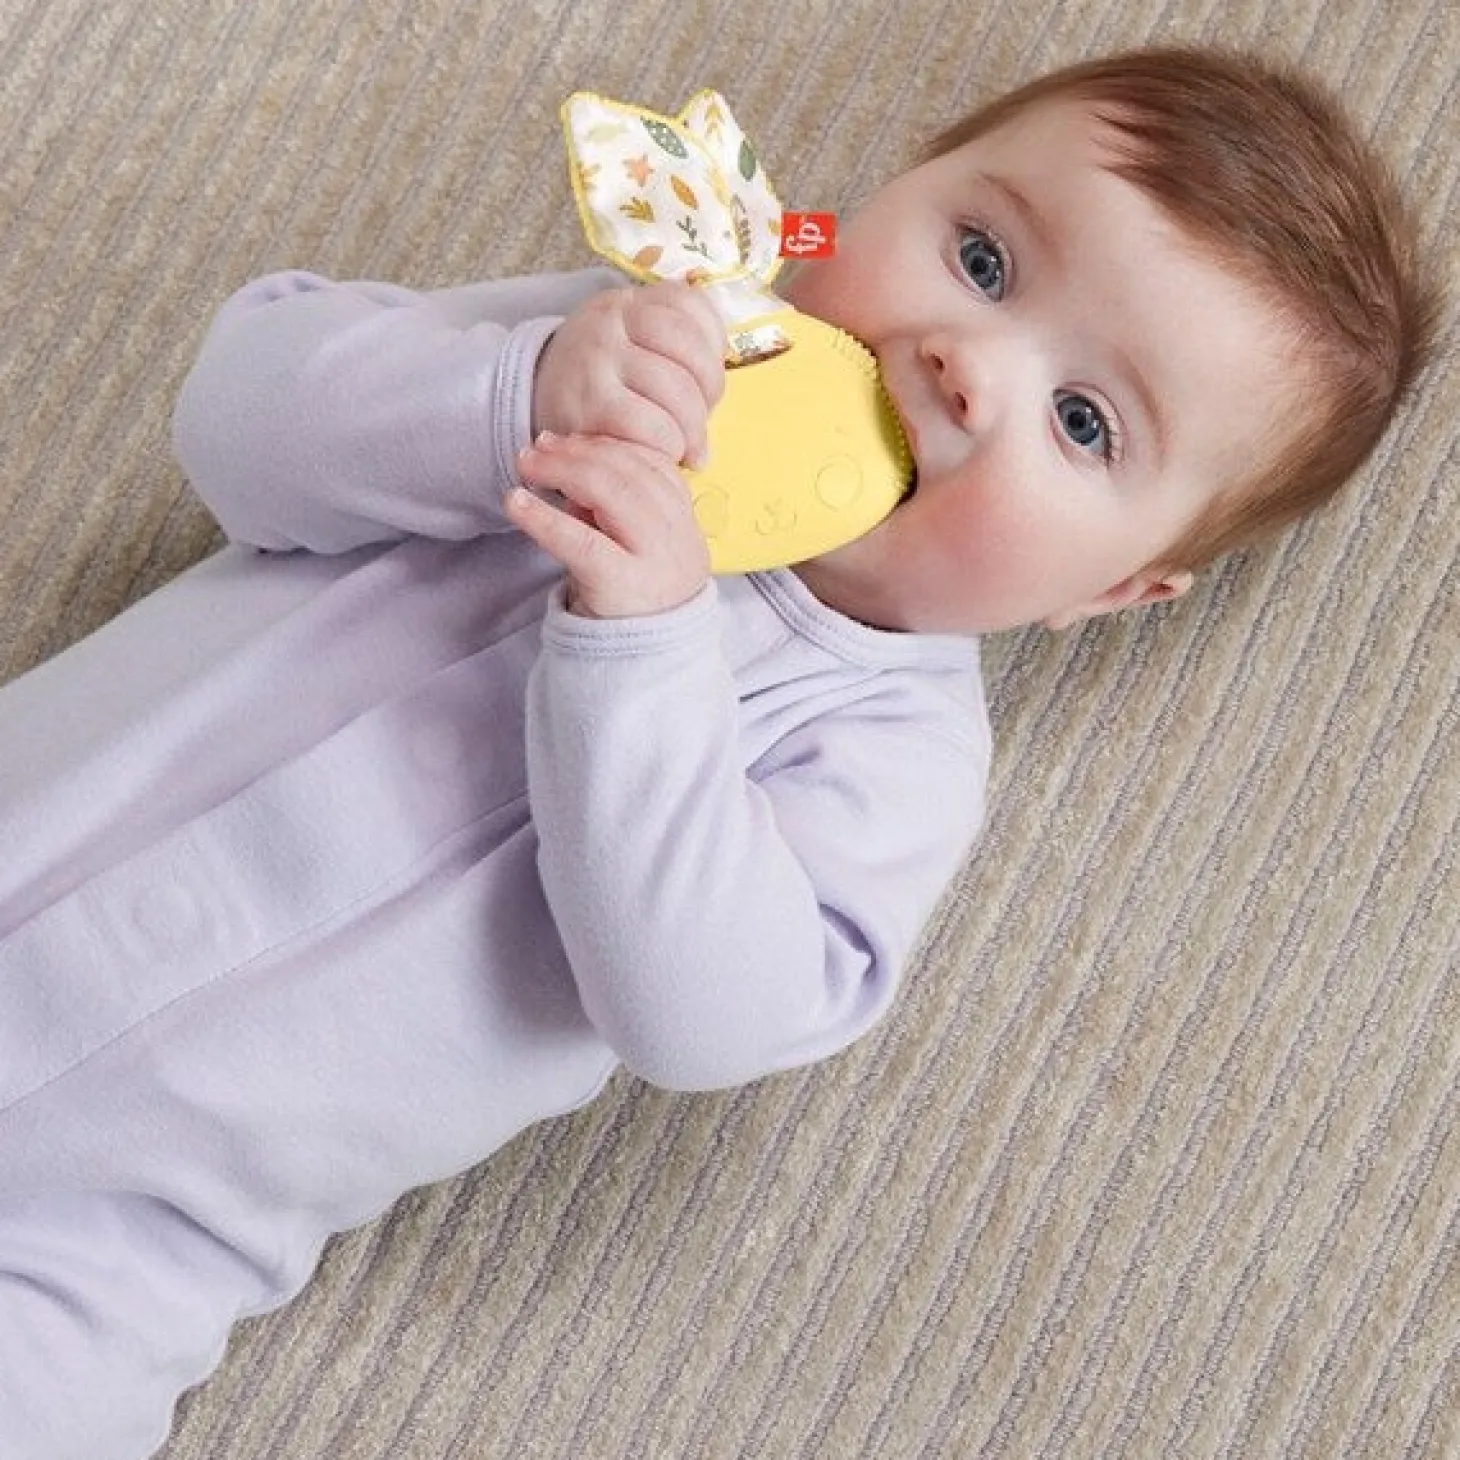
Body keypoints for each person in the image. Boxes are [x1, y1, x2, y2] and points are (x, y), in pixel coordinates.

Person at [0, 45, 1437, 1460]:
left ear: (1112, 591)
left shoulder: (892, 755)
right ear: (883, 191)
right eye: (983, 260)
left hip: (115, 1238)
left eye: (1084, 422)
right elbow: (240, 423)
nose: (966, 365)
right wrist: (522, 395)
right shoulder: (624, 355)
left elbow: (702, 1018)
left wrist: (643, 653)